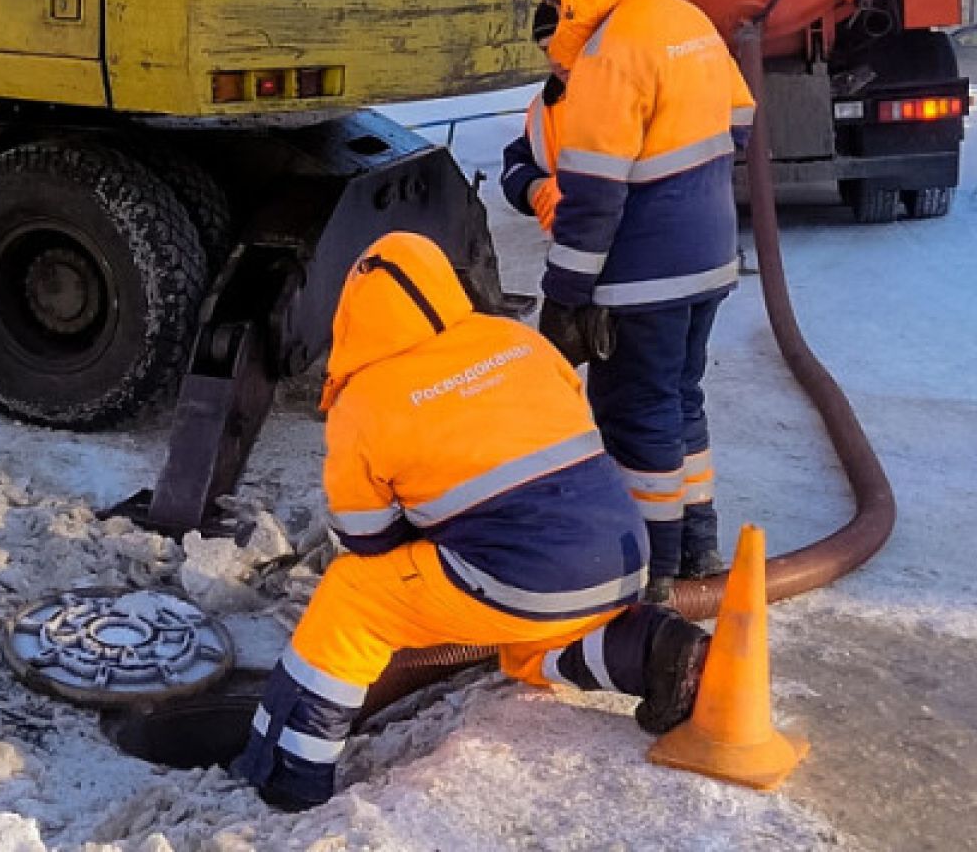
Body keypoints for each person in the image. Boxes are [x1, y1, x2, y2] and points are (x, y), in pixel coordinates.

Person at [230, 232, 711, 811]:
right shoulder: (517, 341)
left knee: (351, 601)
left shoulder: (368, 398)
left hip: (519, 575)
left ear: (355, 319)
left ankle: (285, 773)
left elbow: (367, 538)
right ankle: (656, 649)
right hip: (621, 556)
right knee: (526, 637)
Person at [500, 0, 756, 604]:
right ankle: (698, 541)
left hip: (644, 276)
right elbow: (739, 120)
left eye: (550, 3)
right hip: (707, 262)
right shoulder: (683, 18)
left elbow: (594, 197)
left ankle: (652, 570)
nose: (545, 18)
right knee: (678, 399)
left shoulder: (613, 53)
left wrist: (567, 295)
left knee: (634, 412)